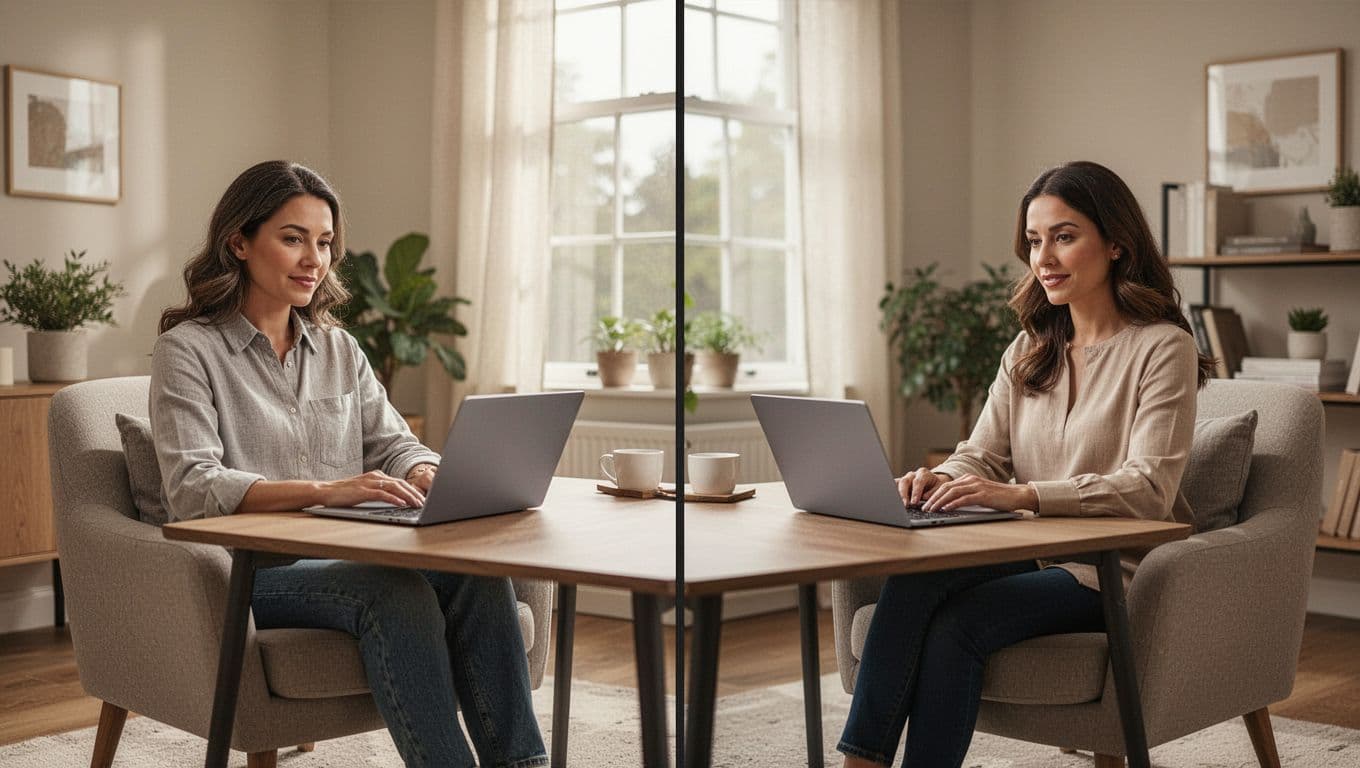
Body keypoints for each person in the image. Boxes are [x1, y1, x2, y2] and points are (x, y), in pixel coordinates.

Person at [151, 160, 547, 768]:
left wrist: (422, 470)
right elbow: (190, 487)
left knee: (479, 573)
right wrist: (327, 490)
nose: (315, 259)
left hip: (351, 551)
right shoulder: (189, 351)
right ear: (238, 241)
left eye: (325, 242)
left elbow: (394, 442)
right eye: (293, 238)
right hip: (246, 570)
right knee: (395, 595)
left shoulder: (340, 348)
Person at [838, 160, 1213, 768]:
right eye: (1035, 241)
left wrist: (1022, 496)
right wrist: (942, 478)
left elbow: (1148, 490)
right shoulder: (1028, 349)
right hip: (1028, 550)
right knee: (911, 580)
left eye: (1064, 236)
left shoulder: (1162, 346)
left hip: (1113, 570)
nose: (1045, 258)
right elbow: (981, 454)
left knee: (962, 623)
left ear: (1117, 243)